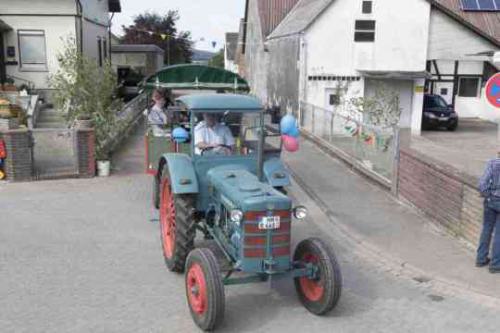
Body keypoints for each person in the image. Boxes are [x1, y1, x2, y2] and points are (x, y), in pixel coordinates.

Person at [477, 154, 500, 273]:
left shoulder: (492, 163)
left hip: (490, 201)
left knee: (486, 229)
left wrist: (488, 196)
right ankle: (495, 265)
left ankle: (480, 259)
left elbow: (482, 184)